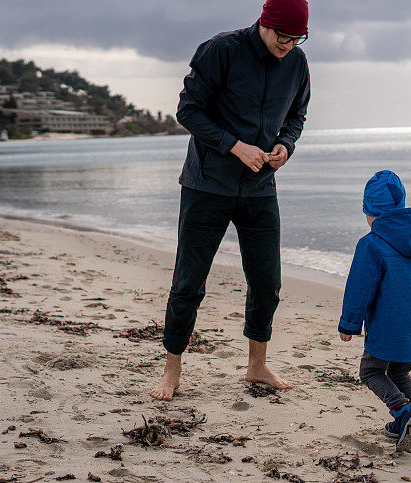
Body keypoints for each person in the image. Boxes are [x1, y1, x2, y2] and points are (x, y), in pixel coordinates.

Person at [150, 0, 311, 401]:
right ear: (265, 24)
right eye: (283, 37)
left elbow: (297, 116)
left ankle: (256, 365)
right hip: (207, 185)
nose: (288, 45)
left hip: (260, 188)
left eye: (297, 38)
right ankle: (172, 370)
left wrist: (285, 146)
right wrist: (234, 146)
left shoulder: (297, 62)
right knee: (189, 282)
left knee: (267, 283)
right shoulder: (220, 50)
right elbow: (187, 111)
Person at [337, 170, 411, 452]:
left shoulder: (371, 244)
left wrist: (349, 324)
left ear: (371, 212)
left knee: (370, 371)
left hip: (387, 325)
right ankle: (408, 422)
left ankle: (403, 412)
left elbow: (359, 287)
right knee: (400, 374)